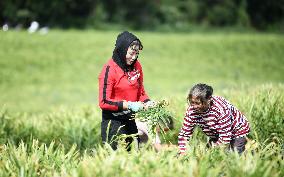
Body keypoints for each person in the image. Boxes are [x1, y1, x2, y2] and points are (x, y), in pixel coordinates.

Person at [98, 31, 153, 150]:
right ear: (122, 50)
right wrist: (129, 105)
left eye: (136, 54)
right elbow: (104, 102)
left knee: (135, 154)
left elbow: (140, 91)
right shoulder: (109, 70)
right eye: (131, 53)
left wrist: (148, 102)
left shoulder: (137, 66)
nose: (134, 57)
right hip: (113, 123)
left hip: (130, 120)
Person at [178, 83, 250, 155]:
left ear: (209, 100)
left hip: (237, 130)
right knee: (207, 155)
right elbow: (184, 134)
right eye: (192, 102)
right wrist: (183, 151)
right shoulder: (191, 111)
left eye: (197, 103)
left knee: (233, 155)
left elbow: (225, 138)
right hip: (217, 133)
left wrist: (214, 149)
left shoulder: (221, 109)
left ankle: (249, 154)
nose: (194, 106)